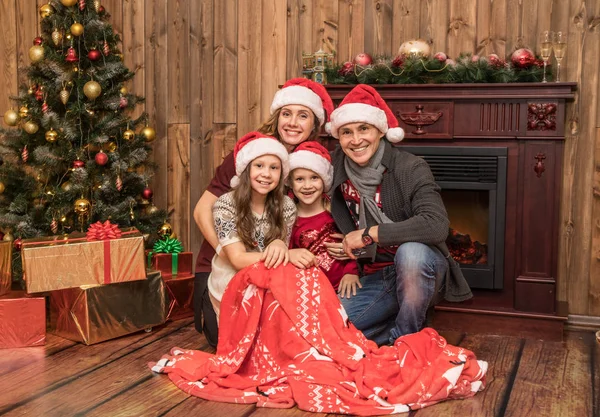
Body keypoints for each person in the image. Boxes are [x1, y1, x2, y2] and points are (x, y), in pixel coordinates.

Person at [324, 84, 473, 345]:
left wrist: (369, 234)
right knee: (329, 326)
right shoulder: (336, 165)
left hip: (419, 269)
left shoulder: (410, 167)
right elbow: (297, 174)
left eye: (364, 129)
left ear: (381, 131)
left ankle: (407, 341)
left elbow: (436, 224)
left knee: (411, 252)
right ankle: (397, 327)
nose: (356, 140)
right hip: (373, 275)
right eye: (346, 132)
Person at [193, 78, 334, 345]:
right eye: (286, 114)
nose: (293, 123)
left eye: (302, 116)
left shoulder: (312, 164)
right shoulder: (249, 155)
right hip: (226, 262)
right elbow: (202, 211)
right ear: (277, 116)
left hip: (274, 266)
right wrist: (229, 254)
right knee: (222, 338)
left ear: (314, 124)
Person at [207, 131, 297, 320]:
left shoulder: (286, 206)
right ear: (246, 169)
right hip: (232, 279)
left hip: (268, 275)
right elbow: (237, 259)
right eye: (259, 166)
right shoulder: (227, 203)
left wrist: (280, 245)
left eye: (274, 168)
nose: (266, 174)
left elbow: (278, 250)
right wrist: (287, 254)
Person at [287, 141, 361, 297]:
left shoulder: (338, 212)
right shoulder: (289, 219)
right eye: (300, 179)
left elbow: (354, 243)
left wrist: (351, 272)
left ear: (324, 181)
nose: (307, 186)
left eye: (314, 178)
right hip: (307, 291)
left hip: (342, 287)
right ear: (291, 183)